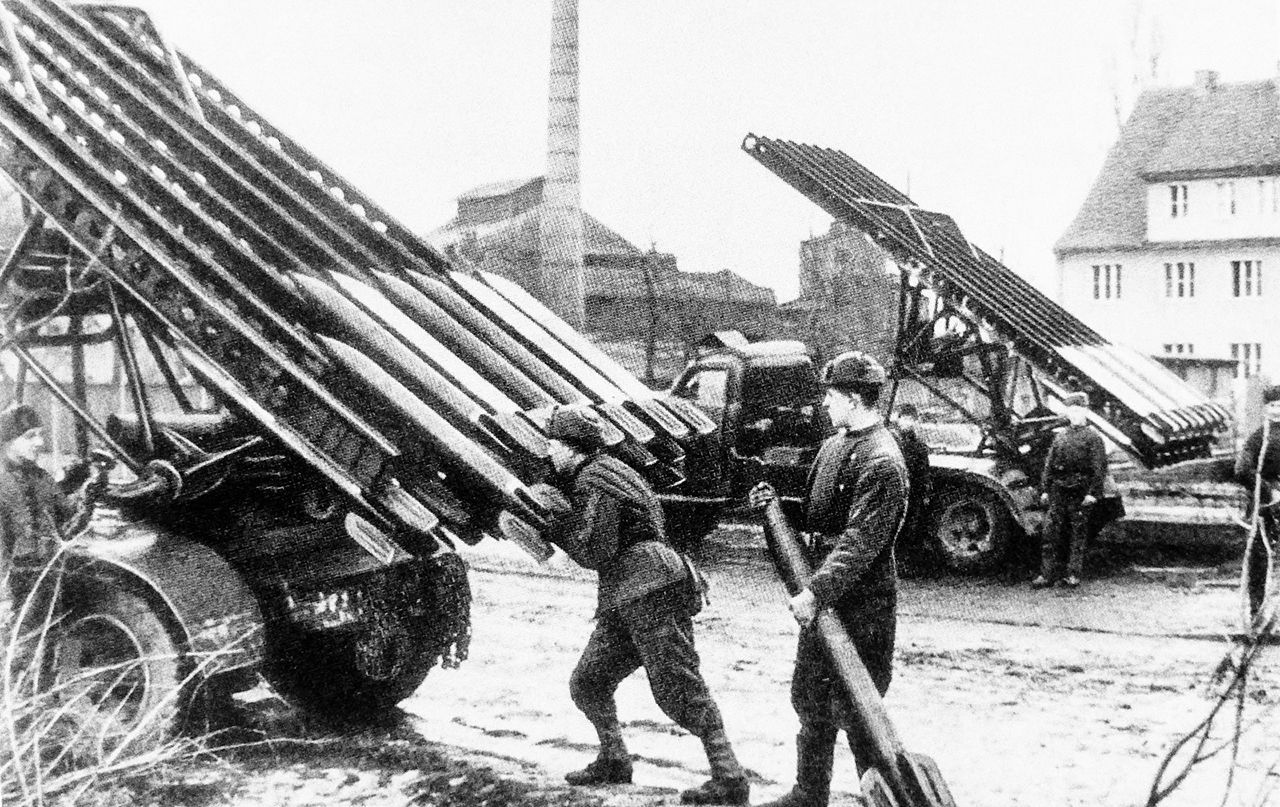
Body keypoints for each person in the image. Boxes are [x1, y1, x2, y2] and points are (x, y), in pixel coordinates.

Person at [542, 405, 749, 806]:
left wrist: (557, 526)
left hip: (648, 589)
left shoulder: (594, 481)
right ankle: (614, 758)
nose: (549, 452)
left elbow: (594, 549)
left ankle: (730, 778)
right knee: (589, 681)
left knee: (679, 688)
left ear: (571, 448)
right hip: (631, 592)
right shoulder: (615, 470)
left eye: (553, 444)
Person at [749, 351, 908, 807]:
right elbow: (819, 516)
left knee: (860, 708)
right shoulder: (835, 447)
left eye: (832, 395)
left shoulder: (883, 461)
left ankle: (880, 798)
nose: (825, 403)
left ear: (855, 398)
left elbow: (860, 542)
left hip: (861, 604)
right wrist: (775, 507)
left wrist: (815, 592)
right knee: (811, 697)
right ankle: (809, 792)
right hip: (823, 594)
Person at [0, 404, 97, 616]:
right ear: (8, 440)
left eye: (40, 435)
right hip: (12, 586)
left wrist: (87, 490)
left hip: (47, 575)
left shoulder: (41, 477)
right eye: (30, 436)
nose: (40, 442)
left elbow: (68, 515)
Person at [1032, 392, 1107, 590]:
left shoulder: (1093, 438)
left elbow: (1099, 468)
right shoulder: (1061, 436)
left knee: (1077, 534)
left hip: (1080, 491)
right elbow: (1050, 463)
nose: (1074, 415)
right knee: (1050, 533)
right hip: (1058, 490)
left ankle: (1073, 574)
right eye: (1070, 412)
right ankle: (1047, 574)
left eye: (1077, 411)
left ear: (1085, 412)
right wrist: (1045, 489)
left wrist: (1092, 493)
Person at [1233, 385, 1280, 620]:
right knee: (1259, 554)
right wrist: (1267, 489)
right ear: (1265, 408)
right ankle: (1257, 608)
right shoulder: (1258, 438)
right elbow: (1241, 470)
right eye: (1272, 405)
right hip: (1265, 504)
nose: (1277, 409)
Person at [889, 404, 932, 576]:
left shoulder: (919, 445)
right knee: (896, 527)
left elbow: (924, 470)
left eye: (912, 419)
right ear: (898, 419)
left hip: (914, 492)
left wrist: (926, 492)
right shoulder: (892, 441)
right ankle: (895, 564)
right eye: (905, 418)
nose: (909, 423)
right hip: (897, 491)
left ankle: (907, 564)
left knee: (912, 527)